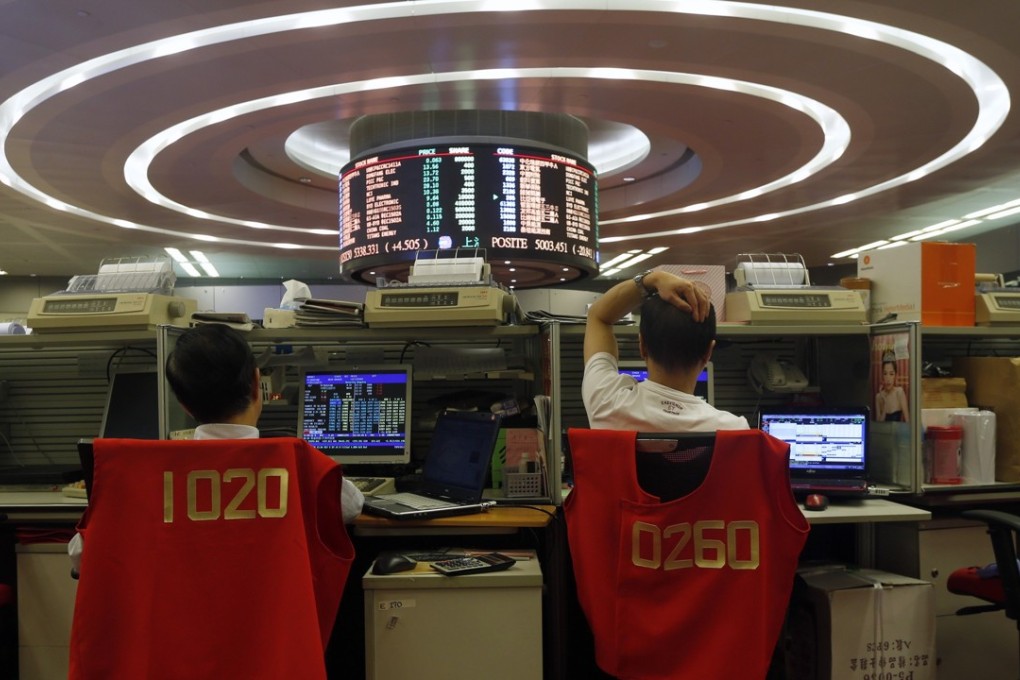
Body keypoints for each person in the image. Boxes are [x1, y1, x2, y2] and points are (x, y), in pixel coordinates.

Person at [68, 323, 364, 572]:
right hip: (274, 637)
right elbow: (352, 506)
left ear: (183, 404)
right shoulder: (301, 466)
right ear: (256, 383)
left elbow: (80, 557)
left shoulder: (143, 479)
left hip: (177, 636)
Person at [582, 268, 748, 431]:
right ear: (708, 353)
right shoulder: (734, 430)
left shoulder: (605, 403)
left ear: (642, 346)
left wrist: (652, 279)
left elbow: (598, 316)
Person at [876, 350, 909, 422]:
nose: (888, 379)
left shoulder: (899, 392)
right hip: (883, 433)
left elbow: (908, 421)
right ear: (882, 375)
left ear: (895, 375)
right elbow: (878, 425)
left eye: (891, 374)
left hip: (898, 433)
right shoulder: (879, 397)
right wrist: (885, 404)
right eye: (885, 374)